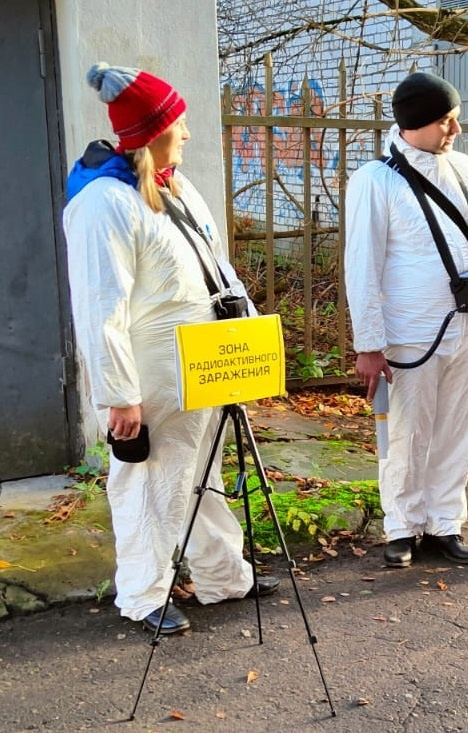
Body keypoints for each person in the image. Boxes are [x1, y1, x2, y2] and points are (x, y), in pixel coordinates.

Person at [63, 63, 279, 634]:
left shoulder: (174, 186)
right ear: (154, 131)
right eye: (178, 123)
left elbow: (219, 269)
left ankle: (222, 575)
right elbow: (99, 306)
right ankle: (143, 593)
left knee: (200, 475)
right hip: (153, 376)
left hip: (207, 366)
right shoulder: (104, 203)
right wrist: (119, 396)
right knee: (147, 483)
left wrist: (250, 342)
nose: (186, 133)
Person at [345, 72, 468, 568]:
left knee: (456, 428)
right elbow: (363, 266)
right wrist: (370, 345)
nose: (456, 130)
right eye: (446, 120)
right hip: (410, 331)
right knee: (408, 432)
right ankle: (402, 525)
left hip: (466, 327)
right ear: (416, 123)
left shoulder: (459, 166)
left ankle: (445, 522)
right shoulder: (375, 180)